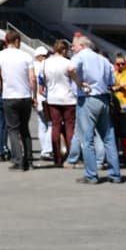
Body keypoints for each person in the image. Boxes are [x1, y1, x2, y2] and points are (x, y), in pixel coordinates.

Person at [70, 34, 122, 184]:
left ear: (82, 46)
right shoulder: (104, 60)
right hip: (103, 98)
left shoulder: (81, 57)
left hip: (87, 98)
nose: (73, 48)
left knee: (87, 139)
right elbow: (112, 81)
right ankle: (115, 174)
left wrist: (79, 83)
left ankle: (91, 175)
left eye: (74, 46)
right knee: (108, 138)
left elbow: (70, 68)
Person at [0, 30, 36, 171]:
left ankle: (18, 160)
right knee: (25, 129)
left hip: (9, 96)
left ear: (6, 41)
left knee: (12, 129)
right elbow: (32, 78)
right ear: (17, 41)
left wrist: (0, 89)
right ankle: (29, 160)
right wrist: (33, 95)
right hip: (25, 96)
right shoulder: (26, 56)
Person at [41, 39, 77, 167]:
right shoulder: (68, 63)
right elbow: (74, 80)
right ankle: (71, 157)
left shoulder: (45, 63)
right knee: (69, 127)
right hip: (68, 98)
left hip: (53, 98)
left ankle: (57, 157)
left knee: (55, 127)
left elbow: (43, 81)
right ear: (64, 50)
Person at [33, 46, 53, 160]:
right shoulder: (43, 66)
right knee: (50, 124)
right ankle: (48, 150)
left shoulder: (32, 66)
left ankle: (44, 149)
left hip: (36, 99)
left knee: (41, 125)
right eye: (45, 56)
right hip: (45, 98)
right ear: (39, 56)